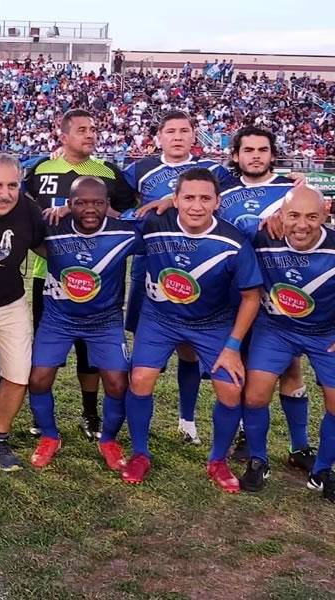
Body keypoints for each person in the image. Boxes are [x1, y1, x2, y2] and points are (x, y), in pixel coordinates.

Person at [123, 168, 262, 493]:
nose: (196, 206)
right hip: (159, 318)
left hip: (212, 323)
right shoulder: (154, 224)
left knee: (230, 390)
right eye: (188, 197)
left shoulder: (233, 242)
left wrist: (232, 345)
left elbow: (251, 297)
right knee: (140, 379)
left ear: (217, 202)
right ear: (176, 199)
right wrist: (64, 210)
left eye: (205, 198)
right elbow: (106, 223)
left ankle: (218, 460)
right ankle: (140, 453)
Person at [26, 109, 136, 440]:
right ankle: (43, 420)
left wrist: (105, 211)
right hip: (49, 273)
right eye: (82, 130)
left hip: (99, 276)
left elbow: (129, 211)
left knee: (91, 355)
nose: (90, 135)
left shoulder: (107, 172)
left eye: (93, 129)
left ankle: (90, 412)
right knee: (48, 354)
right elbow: (27, 214)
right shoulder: (42, 169)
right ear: (63, 135)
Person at [124, 110, 232, 445]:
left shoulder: (214, 171)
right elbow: (115, 207)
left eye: (184, 130)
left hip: (202, 267)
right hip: (155, 265)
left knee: (190, 349)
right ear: (159, 136)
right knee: (148, 347)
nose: (177, 136)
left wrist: (174, 199)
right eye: (170, 131)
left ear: (193, 135)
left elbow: (235, 197)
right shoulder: (138, 170)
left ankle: (187, 420)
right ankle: (140, 432)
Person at [219, 126, 315, 469]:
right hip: (237, 294)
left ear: (273, 154)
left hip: (280, 292)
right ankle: (246, 434)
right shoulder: (222, 189)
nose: (256, 155)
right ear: (236, 156)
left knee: (290, 368)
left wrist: (289, 213)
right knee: (243, 366)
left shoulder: (292, 189)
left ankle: (300, 446)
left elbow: (313, 228)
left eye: (263, 149)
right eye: (248, 150)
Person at [240, 186, 335, 500]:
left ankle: (321, 471)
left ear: (325, 215)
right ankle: (258, 460)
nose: (302, 224)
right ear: (280, 215)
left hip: (325, 333)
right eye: (293, 215)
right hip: (275, 328)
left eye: (311, 216)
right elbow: (225, 228)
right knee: (254, 396)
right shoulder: (263, 238)